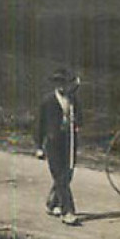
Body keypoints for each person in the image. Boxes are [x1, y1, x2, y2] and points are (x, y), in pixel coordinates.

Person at [35, 69, 82, 226]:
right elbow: (39, 124)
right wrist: (39, 147)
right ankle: (68, 211)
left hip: (69, 142)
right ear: (54, 84)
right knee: (60, 176)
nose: (61, 85)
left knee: (67, 174)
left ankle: (52, 202)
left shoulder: (73, 100)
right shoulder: (47, 101)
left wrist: (76, 124)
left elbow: (80, 119)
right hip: (53, 143)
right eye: (58, 82)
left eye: (64, 82)